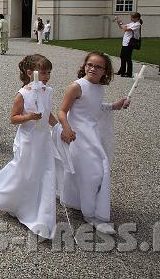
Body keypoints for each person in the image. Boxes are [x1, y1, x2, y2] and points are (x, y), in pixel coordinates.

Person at [54, 51, 130, 235]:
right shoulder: (76, 86)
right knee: (95, 172)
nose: (93, 69)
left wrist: (114, 106)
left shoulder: (98, 88)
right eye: (90, 64)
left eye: (98, 67)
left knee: (90, 172)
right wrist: (66, 128)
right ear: (84, 65)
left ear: (105, 71)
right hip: (77, 136)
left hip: (92, 136)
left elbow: (94, 108)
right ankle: (91, 214)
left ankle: (81, 203)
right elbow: (62, 111)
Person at [0, 54, 58, 239]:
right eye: (43, 72)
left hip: (44, 140)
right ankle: (9, 198)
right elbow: (13, 118)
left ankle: (41, 213)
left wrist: (59, 127)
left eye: (49, 72)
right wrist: (29, 117)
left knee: (45, 172)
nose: (47, 76)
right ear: (30, 73)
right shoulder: (23, 94)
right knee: (23, 171)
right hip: (27, 139)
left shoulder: (47, 91)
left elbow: (48, 114)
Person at [115, 12, 142, 78]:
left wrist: (121, 23)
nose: (131, 18)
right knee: (122, 56)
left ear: (137, 18)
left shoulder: (137, 24)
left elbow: (125, 29)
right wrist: (118, 21)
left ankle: (129, 73)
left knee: (127, 58)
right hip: (125, 42)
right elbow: (122, 27)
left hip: (130, 43)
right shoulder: (132, 23)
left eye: (132, 17)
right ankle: (122, 71)